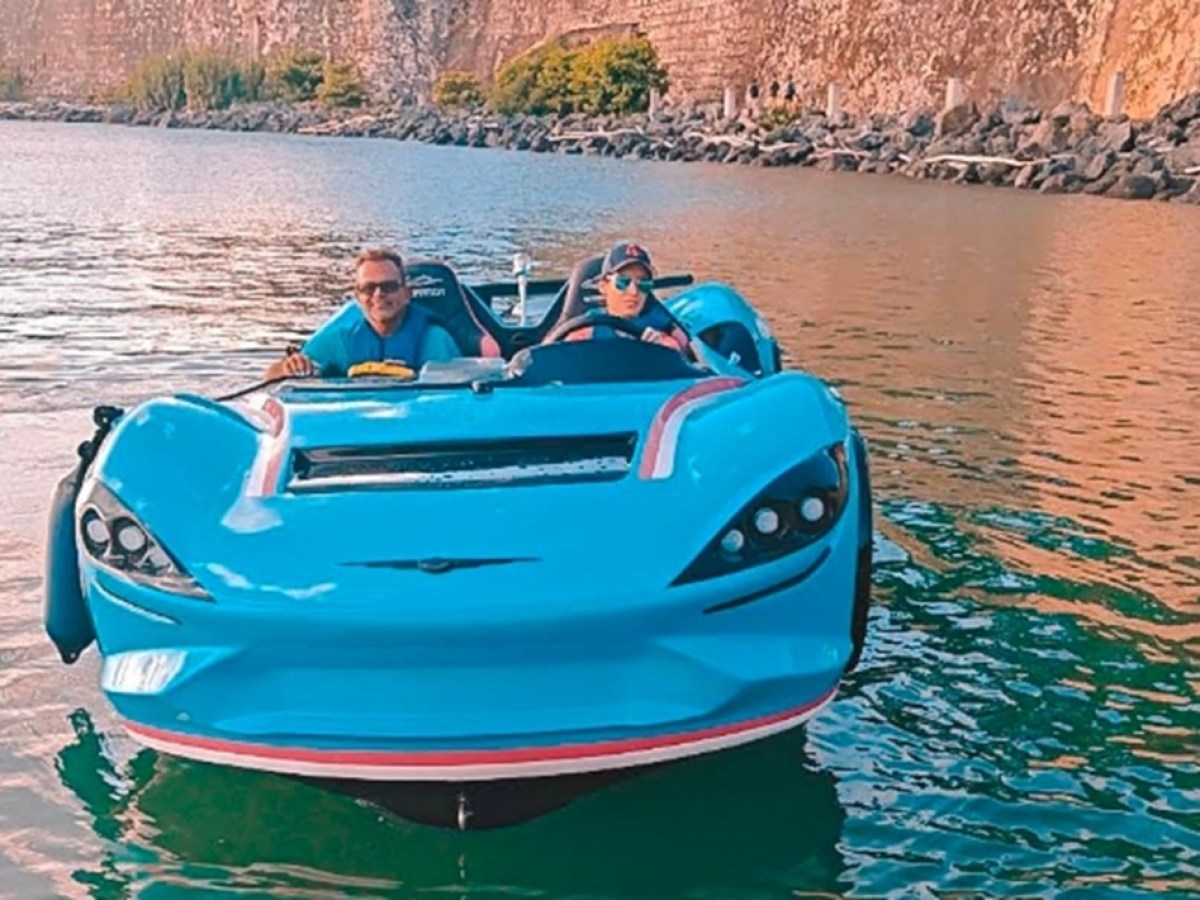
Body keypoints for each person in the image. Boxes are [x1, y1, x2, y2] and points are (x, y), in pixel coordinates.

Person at [264, 247, 462, 379]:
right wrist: (288, 368)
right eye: (369, 288)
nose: (379, 295)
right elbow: (270, 378)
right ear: (357, 297)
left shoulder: (435, 341)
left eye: (389, 286)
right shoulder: (339, 339)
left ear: (407, 294)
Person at [566, 241, 691, 354]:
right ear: (603, 286)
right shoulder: (584, 333)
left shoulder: (662, 335)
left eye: (644, 283)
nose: (634, 292)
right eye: (623, 282)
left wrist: (660, 353)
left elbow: (681, 358)